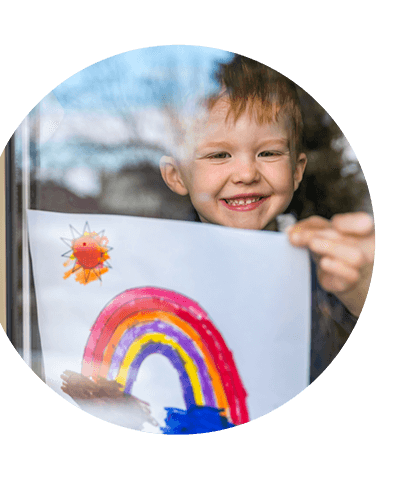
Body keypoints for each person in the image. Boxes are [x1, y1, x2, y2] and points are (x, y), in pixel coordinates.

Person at [159, 56, 375, 383]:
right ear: (177, 177)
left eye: (268, 153)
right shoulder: (161, 262)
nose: (246, 174)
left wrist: (358, 287)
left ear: (297, 170)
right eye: (219, 155)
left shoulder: (321, 258)